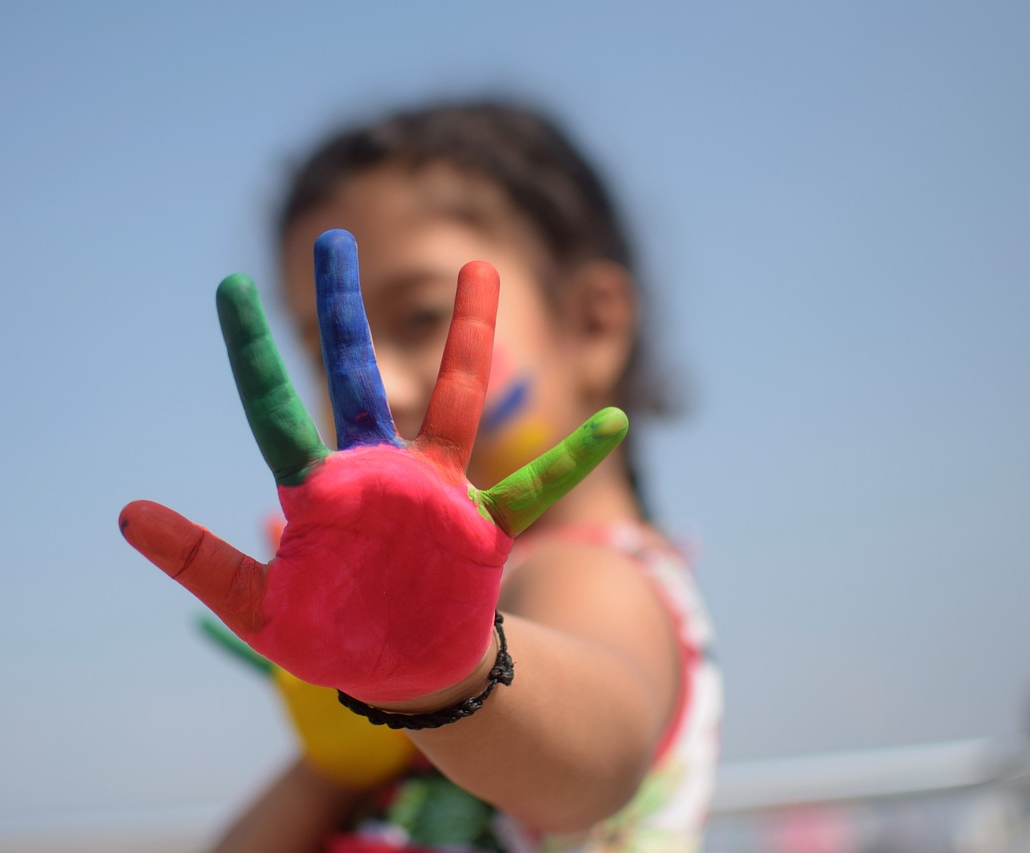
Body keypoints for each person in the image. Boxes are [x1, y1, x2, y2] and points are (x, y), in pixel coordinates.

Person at [121, 100, 721, 852]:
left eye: (420, 317)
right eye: (330, 349)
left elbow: (599, 759)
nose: (386, 385)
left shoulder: (596, 572)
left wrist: (445, 675)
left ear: (592, 324)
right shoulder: (422, 634)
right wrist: (333, 758)